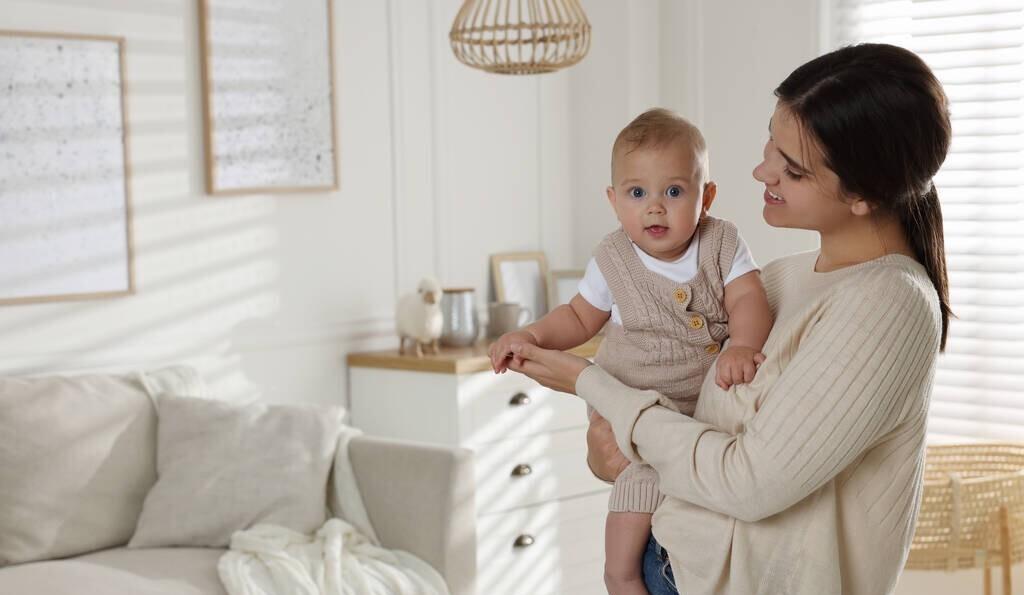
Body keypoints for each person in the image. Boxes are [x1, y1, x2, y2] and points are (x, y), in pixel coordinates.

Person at [504, 42, 952, 595]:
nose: (762, 169)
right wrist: (611, 448)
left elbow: (747, 483)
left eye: (791, 169)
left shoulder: (887, 305)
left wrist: (590, 383)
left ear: (862, 194)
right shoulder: (782, 280)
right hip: (674, 559)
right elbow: (680, 430)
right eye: (771, 139)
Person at [489, 108, 773, 595]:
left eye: (674, 192)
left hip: (697, 407)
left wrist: (743, 345)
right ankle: (619, 576)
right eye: (637, 193)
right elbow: (578, 318)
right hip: (630, 400)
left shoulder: (721, 242)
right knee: (639, 484)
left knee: (686, 481)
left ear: (706, 197)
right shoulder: (613, 257)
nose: (655, 208)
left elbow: (749, 297)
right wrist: (532, 335)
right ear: (614, 200)